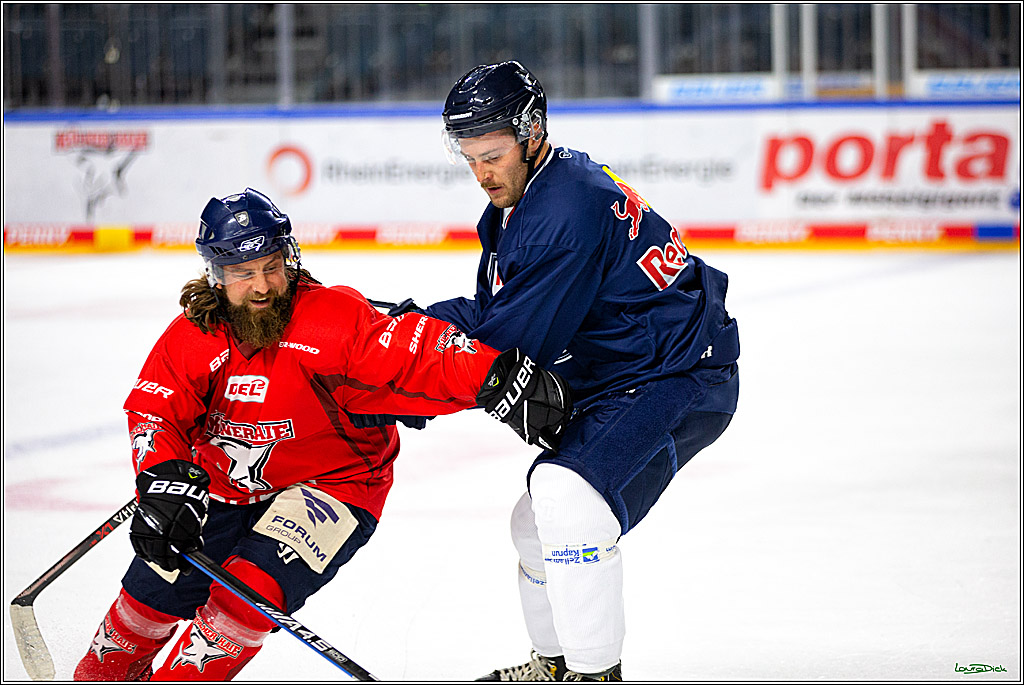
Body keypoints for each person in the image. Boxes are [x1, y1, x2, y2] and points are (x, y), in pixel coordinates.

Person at [73, 187, 571, 681]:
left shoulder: (332, 320)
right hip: (225, 485)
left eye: (271, 266)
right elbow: (156, 412)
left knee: (244, 599)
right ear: (216, 275)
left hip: (333, 486)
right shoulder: (193, 335)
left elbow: (418, 353)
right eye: (244, 274)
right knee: (145, 603)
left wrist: (498, 376)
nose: (263, 285)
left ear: (289, 259)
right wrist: (162, 482)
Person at [390, 61, 740, 681]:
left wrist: (386, 387)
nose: (480, 174)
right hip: (631, 369)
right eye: (468, 158)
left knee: (565, 496)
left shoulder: (564, 212)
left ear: (531, 132)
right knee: (536, 527)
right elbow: (498, 312)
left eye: (491, 155)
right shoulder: (531, 194)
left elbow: (500, 351)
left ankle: (593, 673)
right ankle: (553, 665)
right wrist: (403, 323)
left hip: (680, 373)